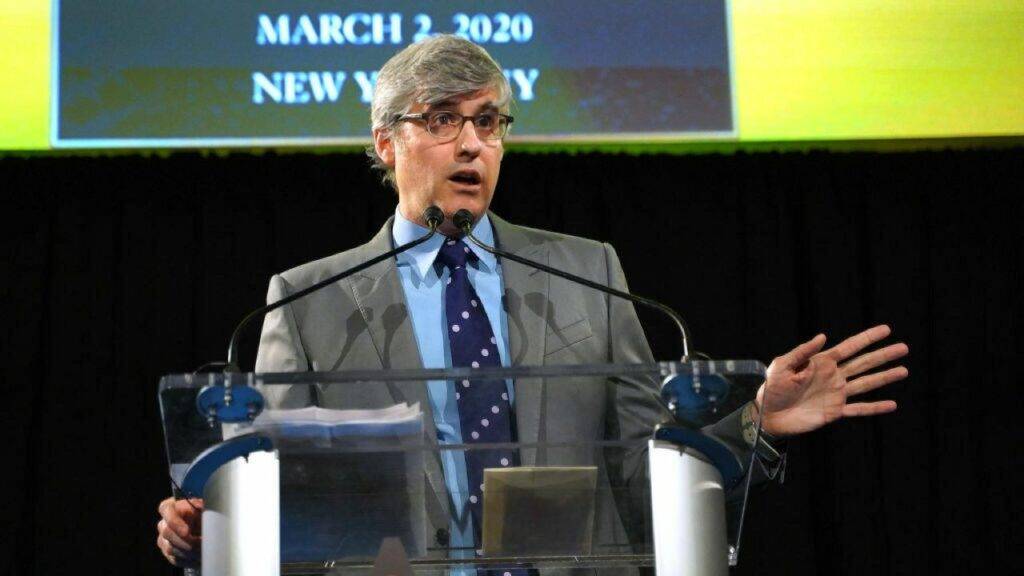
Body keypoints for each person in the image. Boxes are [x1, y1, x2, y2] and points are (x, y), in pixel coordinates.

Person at [157, 35, 908, 568]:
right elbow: (278, 486)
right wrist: (211, 526)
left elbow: (647, 469)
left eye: (488, 122)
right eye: (442, 119)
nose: (471, 145)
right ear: (385, 143)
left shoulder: (587, 274)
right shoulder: (303, 301)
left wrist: (751, 421)